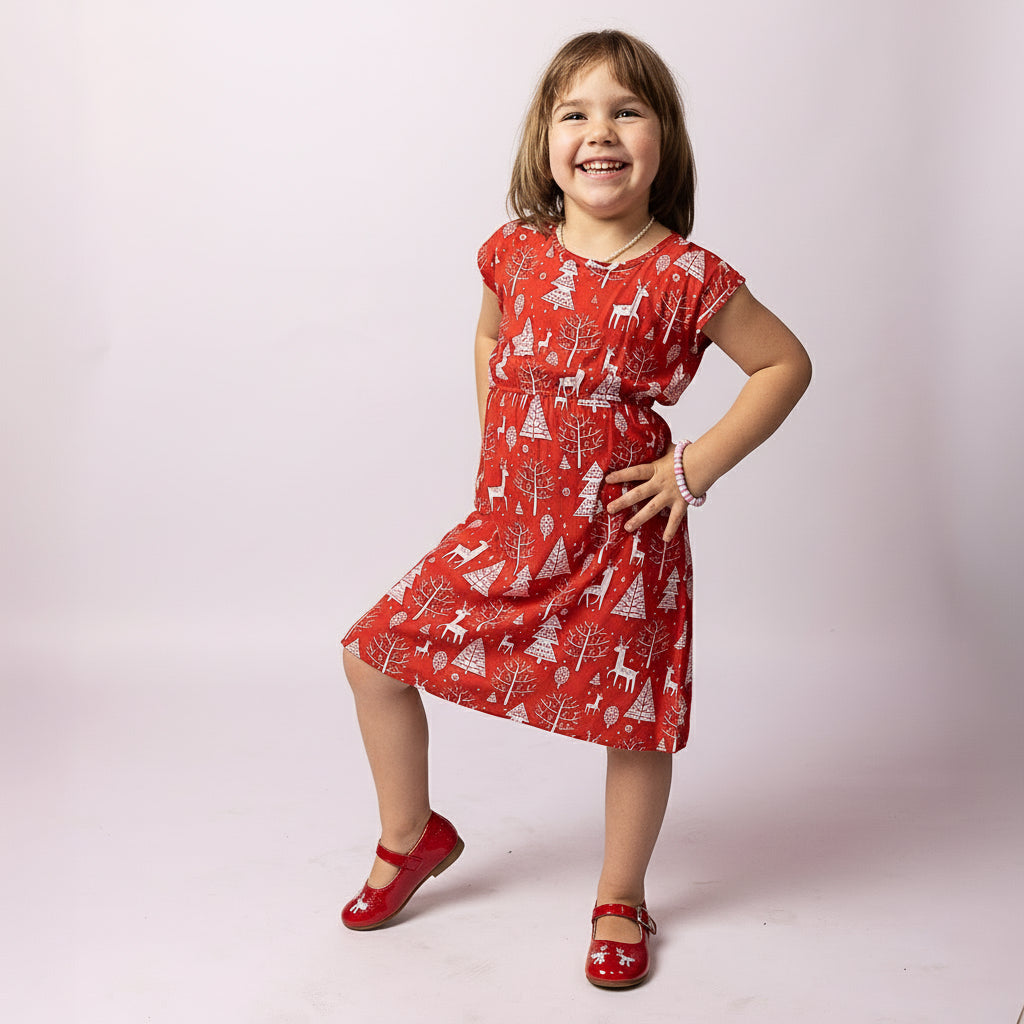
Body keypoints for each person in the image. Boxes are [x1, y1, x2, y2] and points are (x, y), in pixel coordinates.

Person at [339, 29, 811, 989]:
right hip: (511, 525)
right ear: (544, 141)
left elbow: (784, 364)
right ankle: (411, 835)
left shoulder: (687, 274)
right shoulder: (512, 252)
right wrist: (499, 452)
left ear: (663, 141)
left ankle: (620, 894)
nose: (601, 132)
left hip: (623, 534)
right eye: (577, 113)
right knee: (372, 653)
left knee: (632, 719)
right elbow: (489, 337)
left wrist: (695, 465)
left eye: (627, 111)